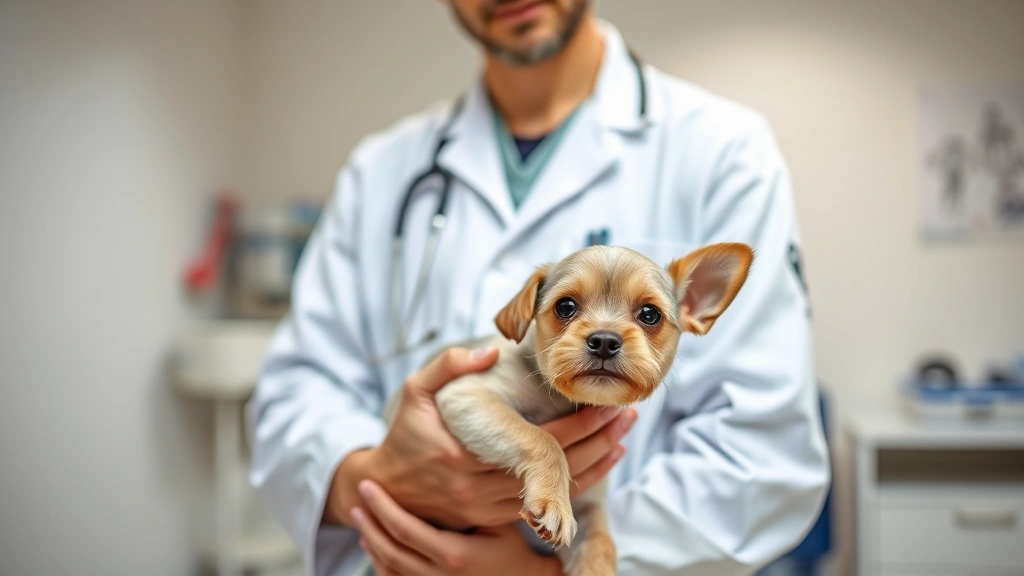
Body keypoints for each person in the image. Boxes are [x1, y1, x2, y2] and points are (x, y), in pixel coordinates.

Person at [245, 1, 831, 575]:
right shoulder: (380, 170)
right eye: (569, 306)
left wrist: (539, 570)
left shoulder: (724, 151)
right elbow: (294, 395)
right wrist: (368, 474)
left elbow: (761, 455)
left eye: (648, 313)